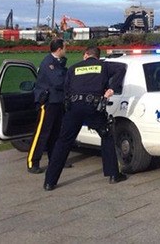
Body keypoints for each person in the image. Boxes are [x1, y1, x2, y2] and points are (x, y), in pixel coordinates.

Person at [43, 46, 126, 191]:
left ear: (85, 55)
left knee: (63, 142)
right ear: (97, 57)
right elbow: (122, 69)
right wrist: (111, 88)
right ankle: (113, 175)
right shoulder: (103, 66)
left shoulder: (73, 68)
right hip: (93, 107)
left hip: (74, 108)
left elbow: (66, 89)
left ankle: (49, 182)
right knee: (106, 135)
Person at [27, 38, 67, 174]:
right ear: (59, 49)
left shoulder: (58, 62)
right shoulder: (48, 63)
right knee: (42, 133)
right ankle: (33, 161)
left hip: (58, 101)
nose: (66, 50)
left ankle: (55, 160)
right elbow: (58, 81)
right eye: (65, 47)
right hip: (48, 102)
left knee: (56, 133)